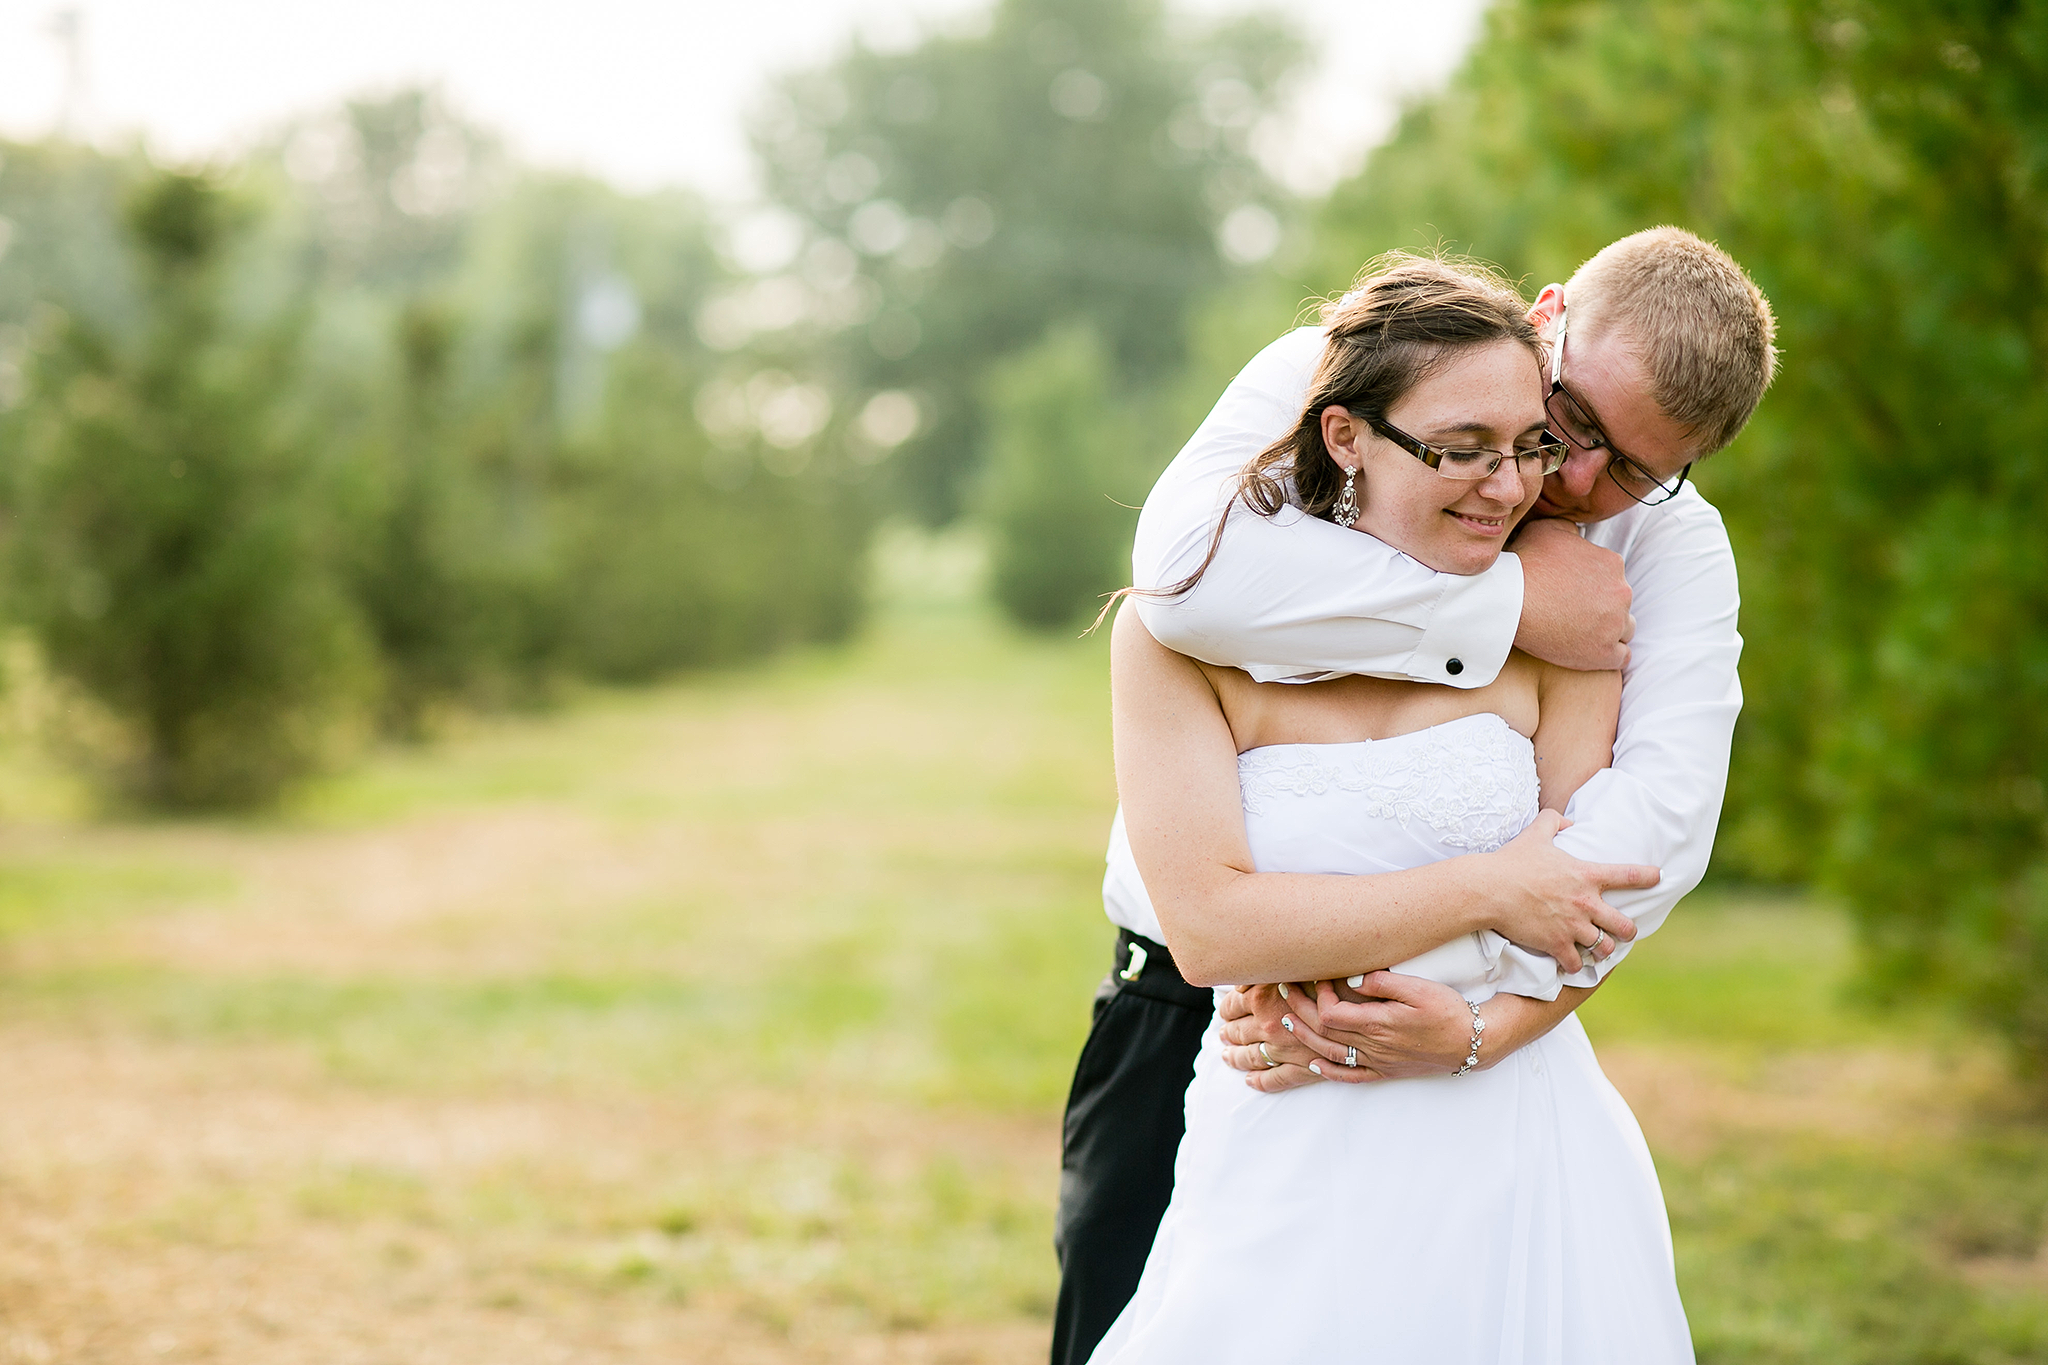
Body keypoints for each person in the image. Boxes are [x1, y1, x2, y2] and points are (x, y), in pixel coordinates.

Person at [1052, 228, 1776, 1364]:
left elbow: (1641, 841)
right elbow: (1180, 582)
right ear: (1547, 319)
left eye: (1636, 470)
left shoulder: (1659, 555)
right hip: (1192, 1019)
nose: (1571, 481)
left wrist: (1483, 1027)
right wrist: (1509, 606)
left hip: (1476, 1059)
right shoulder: (1330, 380)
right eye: (1574, 422)